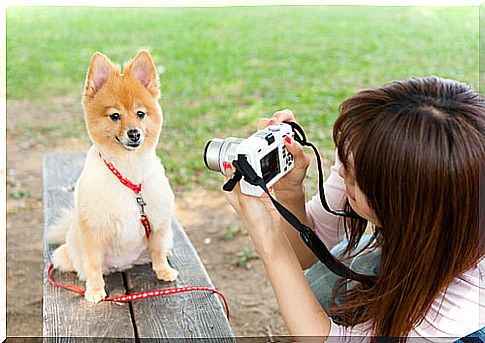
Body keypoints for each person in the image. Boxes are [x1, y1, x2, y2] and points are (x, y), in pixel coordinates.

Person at [222, 76, 485, 340]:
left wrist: (269, 239)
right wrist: (290, 191)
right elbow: (307, 253)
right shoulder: (367, 150)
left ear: (408, 207)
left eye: (354, 176)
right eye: (344, 160)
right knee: (325, 286)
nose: (342, 173)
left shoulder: (468, 292)